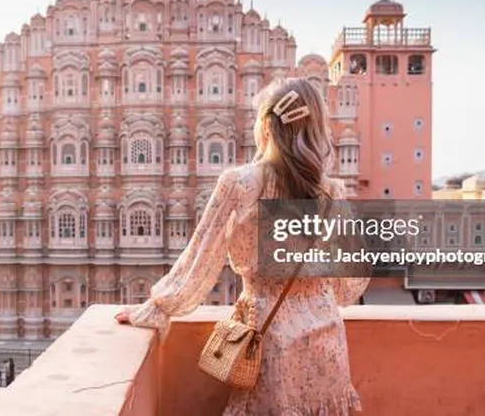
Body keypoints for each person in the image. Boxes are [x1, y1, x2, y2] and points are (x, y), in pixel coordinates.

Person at [115, 78, 371, 415]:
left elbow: (201, 257)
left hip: (270, 334)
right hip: (326, 334)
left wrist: (158, 307)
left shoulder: (240, 183)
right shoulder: (332, 192)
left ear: (266, 126)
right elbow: (349, 282)